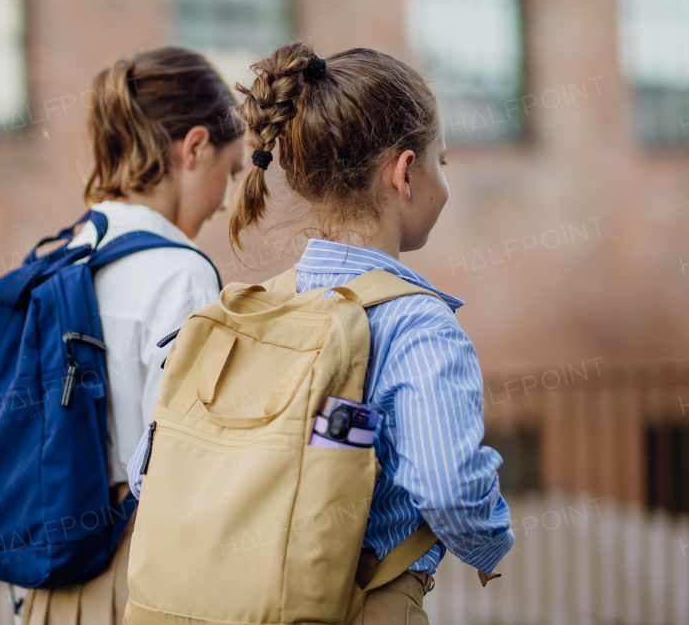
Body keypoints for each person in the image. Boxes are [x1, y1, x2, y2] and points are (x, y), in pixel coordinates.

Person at [130, 42, 513, 624]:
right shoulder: (416, 322)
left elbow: (145, 473)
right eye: (442, 162)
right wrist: (493, 544)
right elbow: (450, 487)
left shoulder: (246, 315)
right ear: (405, 172)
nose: (445, 182)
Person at [24, 46, 244, 625]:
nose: (227, 198)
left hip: (48, 585)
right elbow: (184, 472)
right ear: (195, 147)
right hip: (136, 575)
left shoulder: (65, 253)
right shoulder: (181, 272)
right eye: (234, 169)